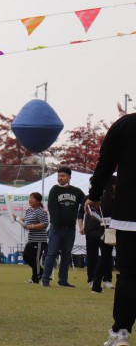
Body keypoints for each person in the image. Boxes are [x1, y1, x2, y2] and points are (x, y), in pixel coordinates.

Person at [83, 112, 136, 346]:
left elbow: (105, 163)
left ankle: (121, 332)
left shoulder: (124, 125)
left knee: (129, 274)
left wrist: (94, 195)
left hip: (130, 214)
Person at [40, 167, 85, 288]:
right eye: (59, 175)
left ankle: (63, 281)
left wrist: (80, 214)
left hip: (70, 229)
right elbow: (52, 208)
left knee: (66, 255)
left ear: (69, 177)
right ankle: (45, 279)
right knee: (52, 253)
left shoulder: (76, 191)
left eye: (63, 176)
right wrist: (58, 223)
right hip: (56, 228)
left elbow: (86, 202)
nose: (60, 178)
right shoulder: (54, 190)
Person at [78, 177, 115, 290]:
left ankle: (107, 279)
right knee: (92, 255)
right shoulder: (88, 197)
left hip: (105, 230)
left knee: (107, 256)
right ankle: (91, 279)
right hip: (91, 230)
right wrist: (81, 226)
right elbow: (80, 214)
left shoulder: (112, 197)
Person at [12, 192, 49, 284]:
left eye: (32, 198)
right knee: (26, 257)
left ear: (38, 201)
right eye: (30, 198)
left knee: (36, 259)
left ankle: (35, 278)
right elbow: (27, 220)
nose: (30, 200)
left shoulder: (41, 211)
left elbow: (45, 224)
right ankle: (41, 272)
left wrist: (31, 226)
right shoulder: (29, 210)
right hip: (31, 238)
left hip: (39, 239)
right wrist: (18, 219)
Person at [90, 178, 116, 294]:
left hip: (105, 230)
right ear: (114, 185)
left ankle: (96, 286)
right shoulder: (117, 198)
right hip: (119, 229)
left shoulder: (102, 198)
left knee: (104, 258)